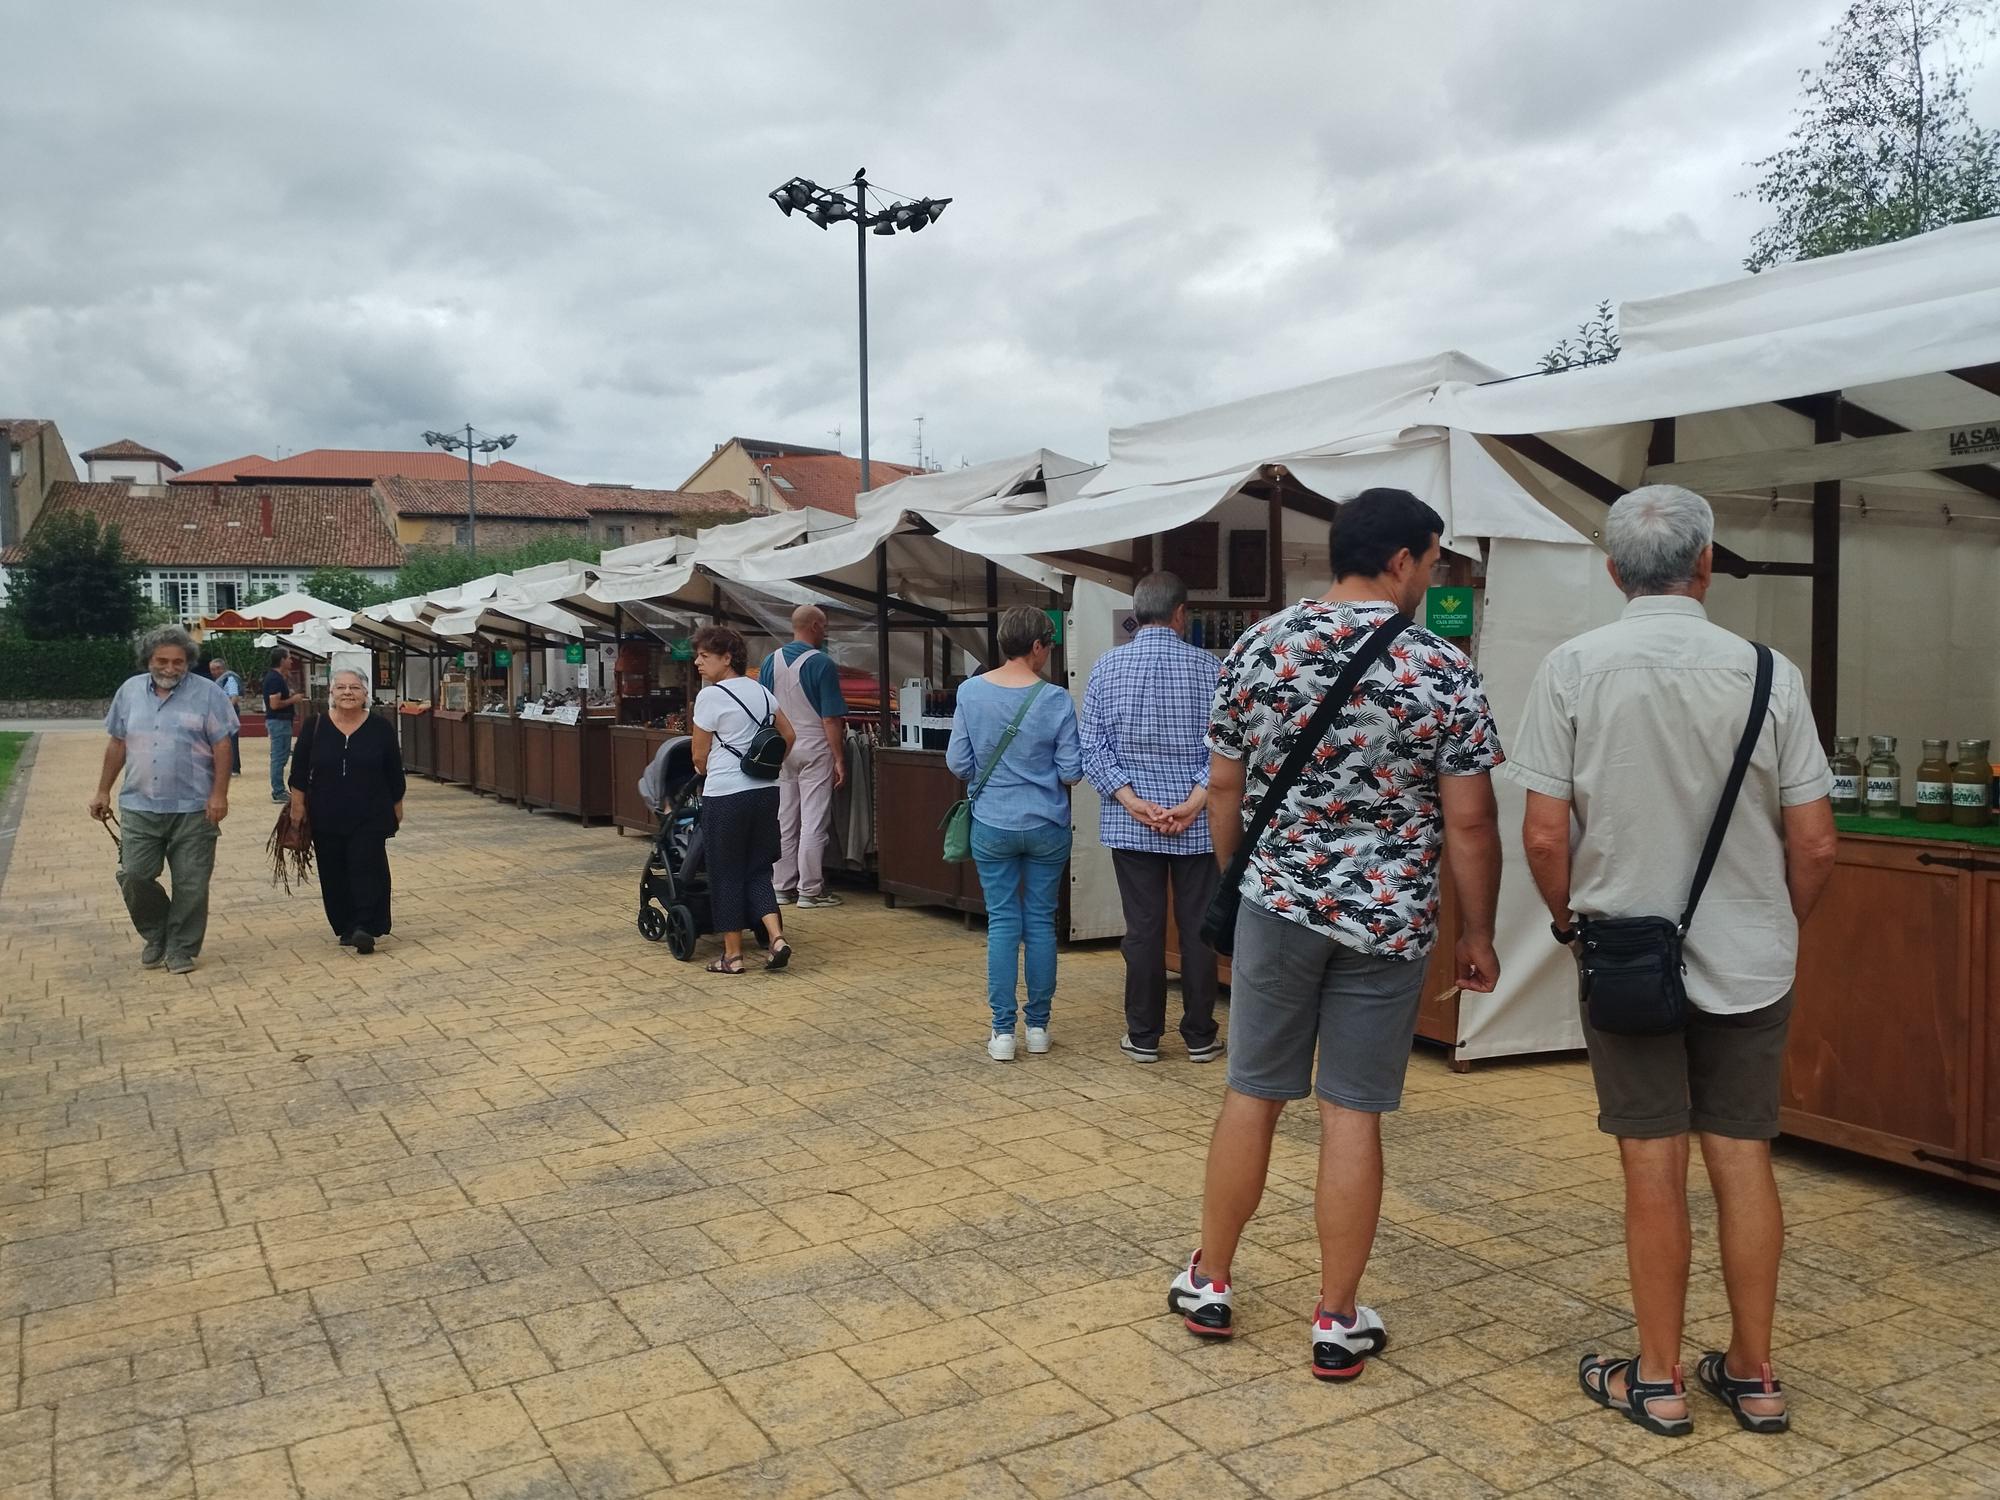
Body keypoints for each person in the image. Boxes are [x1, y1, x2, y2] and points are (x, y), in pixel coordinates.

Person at [1506, 485, 1838, 1438]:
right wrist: (1778, 923)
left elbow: (1541, 834)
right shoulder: (1772, 674)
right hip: (1751, 956)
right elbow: (1815, 843)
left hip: (1622, 955)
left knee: (1651, 1164)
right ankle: (1755, 1373)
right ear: (1707, 564)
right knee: (1744, 1157)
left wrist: (1570, 926)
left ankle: (1656, 1379)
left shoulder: (1572, 667)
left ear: (1612, 572)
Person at [1169, 487, 1503, 1381]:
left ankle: (1211, 1282)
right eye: (1433, 562)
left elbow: (1227, 789)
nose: (1433, 578)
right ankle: (1336, 1316)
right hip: (1389, 922)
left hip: (1277, 907)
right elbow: (1471, 824)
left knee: (1254, 1090)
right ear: (1401, 561)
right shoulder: (1442, 669)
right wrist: (1479, 932)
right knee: (1353, 1111)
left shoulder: (1261, 646)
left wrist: (1243, 886)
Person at [1081, 571, 1225, 1065]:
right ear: (1181, 613)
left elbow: (1092, 747)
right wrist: (1195, 800)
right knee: (1197, 929)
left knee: (1142, 929)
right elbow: (1228, 747)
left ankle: (1143, 1036)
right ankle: (1200, 1035)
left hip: (1131, 820)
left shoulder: (1106, 668)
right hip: (1197, 823)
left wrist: (1131, 801)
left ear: (1138, 614)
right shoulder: (1211, 669)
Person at [945, 605, 1083, 1062]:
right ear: (1038, 646)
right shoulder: (1057, 699)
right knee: (1040, 923)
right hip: (1046, 824)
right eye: (1049, 645)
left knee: (1003, 923)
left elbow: (959, 764)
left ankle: (1003, 1032)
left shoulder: (969, 692)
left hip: (992, 823)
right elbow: (1071, 770)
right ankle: (1039, 1027)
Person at [88, 625, 239, 974]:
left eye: (178, 662)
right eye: (162, 661)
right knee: (136, 875)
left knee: (192, 882)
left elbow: (222, 746)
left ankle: (181, 948)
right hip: (139, 805)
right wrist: (102, 790)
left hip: (195, 808)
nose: (170, 668)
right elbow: (117, 743)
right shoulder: (128, 692)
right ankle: (157, 933)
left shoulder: (208, 694)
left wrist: (219, 794)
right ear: (148, 660)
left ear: (188, 662)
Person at [690, 625, 796, 974]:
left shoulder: (710, 696)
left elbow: (699, 756)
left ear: (727, 657)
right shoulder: (762, 692)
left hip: (726, 796)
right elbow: (788, 734)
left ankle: (732, 957)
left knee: (726, 874)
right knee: (758, 870)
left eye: (705, 656)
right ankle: (776, 938)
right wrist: (766, 767)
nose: (697, 662)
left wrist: (712, 770)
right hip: (766, 793)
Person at [288, 667, 406, 955]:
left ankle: (366, 924)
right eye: (341, 688)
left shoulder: (380, 728)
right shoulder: (315, 725)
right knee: (333, 870)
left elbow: (394, 773)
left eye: (354, 688)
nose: (348, 693)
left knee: (367, 866)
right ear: (331, 693)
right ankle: (346, 925)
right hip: (325, 813)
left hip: (370, 813)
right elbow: (299, 772)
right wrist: (297, 807)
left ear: (366, 693)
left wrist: (397, 808)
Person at [759, 604, 849, 909]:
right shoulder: (822, 664)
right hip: (814, 746)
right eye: (823, 626)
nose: (825, 632)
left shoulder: (770, 661)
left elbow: (764, 708)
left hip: (782, 746)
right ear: (813, 626)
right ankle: (811, 890)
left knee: (785, 818)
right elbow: (831, 719)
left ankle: (781, 887)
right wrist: (839, 758)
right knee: (813, 819)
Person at [261, 647, 308, 804]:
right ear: (282, 660)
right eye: (288, 658)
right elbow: (274, 704)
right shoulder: (274, 679)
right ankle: (278, 791)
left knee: (280, 755)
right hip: (279, 721)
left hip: (280, 721)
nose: (291, 660)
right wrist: (293, 700)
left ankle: (279, 789)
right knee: (279, 757)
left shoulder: (278, 677)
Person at [207, 656, 243, 775]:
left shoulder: (229, 679)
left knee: (231, 741)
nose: (215, 671)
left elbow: (234, 697)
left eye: (218, 668)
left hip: (228, 713)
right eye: (212, 669)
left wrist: (227, 711)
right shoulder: (219, 681)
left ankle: (234, 768)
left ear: (224, 668)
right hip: (220, 713)